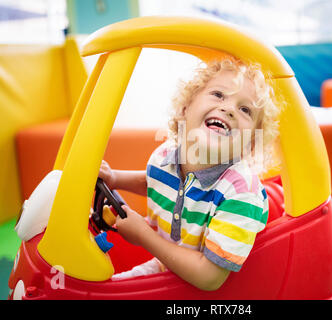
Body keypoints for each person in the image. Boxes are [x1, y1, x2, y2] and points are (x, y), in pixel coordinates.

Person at [98, 58, 280, 291]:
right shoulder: (166, 155)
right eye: (218, 95)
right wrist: (114, 178)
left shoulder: (241, 193)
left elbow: (209, 277)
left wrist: (144, 236)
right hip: (168, 266)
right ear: (185, 108)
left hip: (215, 287)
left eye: (245, 109)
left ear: (251, 143)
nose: (229, 109)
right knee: (108, 290)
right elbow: (154, 182)